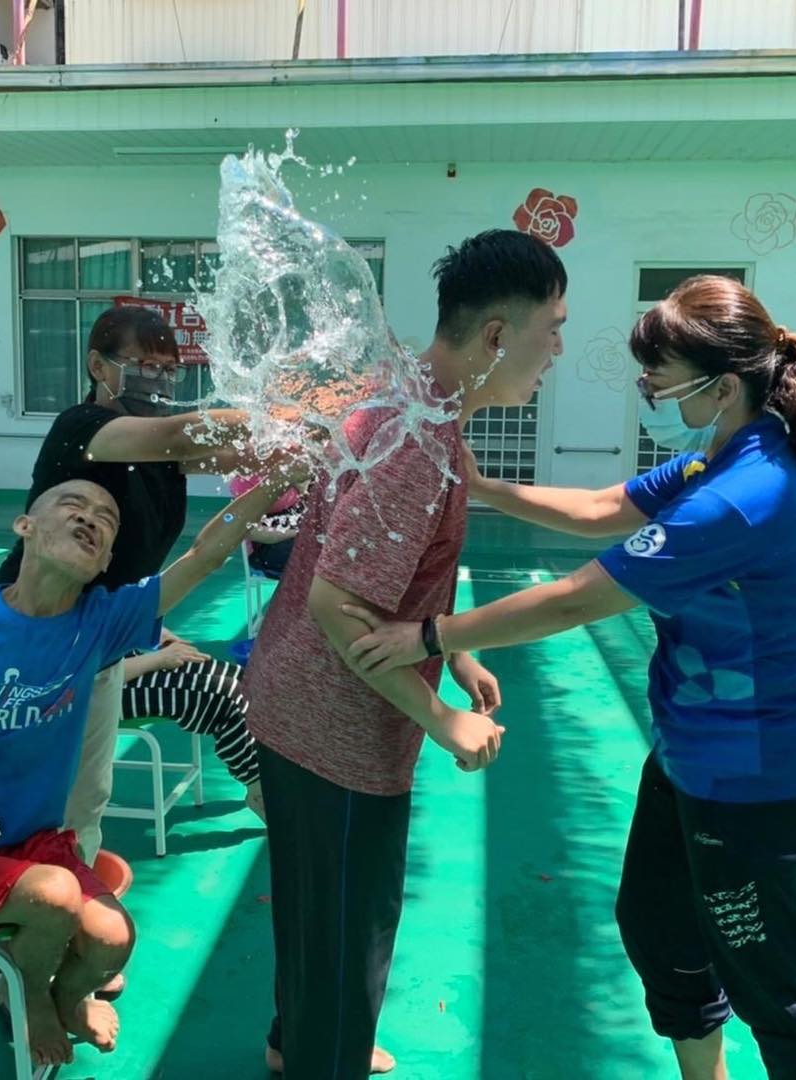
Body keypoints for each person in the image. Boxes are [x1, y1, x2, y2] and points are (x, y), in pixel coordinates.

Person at [342, 275, 796, 1080]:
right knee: (660, 929)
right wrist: (481, 487)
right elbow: (602, 509)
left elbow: (580, 597)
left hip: (752, 784)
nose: (647, 391)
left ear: (723, 387)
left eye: (659, 378)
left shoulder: (742, 497)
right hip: (691, 760)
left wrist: (433, 635)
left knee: (771, 977)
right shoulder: (715, 461)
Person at [241, 229, 570, 1079]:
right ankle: (322, 1055)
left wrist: (452, 649)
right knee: (346, 937)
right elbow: (337, 602)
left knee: (315, 912)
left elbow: (404, 563)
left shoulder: (410, 403)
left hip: (294, 699)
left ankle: (293, 1039)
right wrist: (442, 718)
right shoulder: (419, 442)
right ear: (496, 335)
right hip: (339, 729)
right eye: (552, 330)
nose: (558, 351)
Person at [0, 470, 300, 1068]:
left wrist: (276, 482)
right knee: (55, 896)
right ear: (25, 526)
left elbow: (204, 557)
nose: (90, 517)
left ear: (106, 560)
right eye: (73, 504)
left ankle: (66, 994)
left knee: (113, 939)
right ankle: (31, 996)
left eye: (106, 519)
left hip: (32, 849)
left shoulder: (99, 624)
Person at [0, 305, 253, 866]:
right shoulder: (81, 429)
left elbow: (236, 456)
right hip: (35, 644)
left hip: (106, 642)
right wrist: (273, 412)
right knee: (31, 794)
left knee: (84, 803)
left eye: (169, 370)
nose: (158, 381)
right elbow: (180, 433)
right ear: (97, 366)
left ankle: (67, 887)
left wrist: (312, 444)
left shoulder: (163, 457)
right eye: (144, 366)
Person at [118, 634, 264, 817]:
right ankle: (259, 790)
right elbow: (92, 675)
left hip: (123, 662)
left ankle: (263, 776)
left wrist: (153, 632)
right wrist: (158, 659)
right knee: (225, 698)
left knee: (242, 678)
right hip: (102, 693)